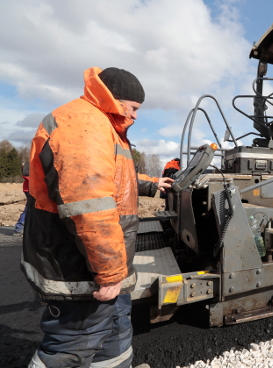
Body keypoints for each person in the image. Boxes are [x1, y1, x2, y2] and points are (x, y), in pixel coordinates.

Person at [22, 67, 173, 368]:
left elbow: (114, 177)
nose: (136, 116)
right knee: (74, 343)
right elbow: (91, 208)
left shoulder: (100, 125)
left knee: (113, 334)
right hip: (77, 266)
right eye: (134, 108)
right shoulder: (82, 125)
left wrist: (152, 184)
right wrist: (110, 273)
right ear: (117, 100)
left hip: (97, 265)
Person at [13, 160, 30, 236]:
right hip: (32, 189)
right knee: (29, 209)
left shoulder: (29, 163)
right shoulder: (33, 164)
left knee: (32, 209)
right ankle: (19, 228)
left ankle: (20, 228)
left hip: (29, 189)